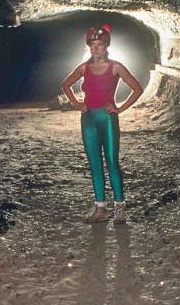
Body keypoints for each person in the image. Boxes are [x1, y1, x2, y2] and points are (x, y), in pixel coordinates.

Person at [60, 23, 146, 224]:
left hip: (107, 119)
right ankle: (100, 208)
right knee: (94, 163)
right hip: (88, 119)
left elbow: (137, 88)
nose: (95, 48)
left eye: (99, 44)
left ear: (106, 46)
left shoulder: (115, 66)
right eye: (92, 45)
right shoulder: (84, 68)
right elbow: (66, 84)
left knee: (112, 161)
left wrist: (120, 109)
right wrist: (76, 103)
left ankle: (120, 206)